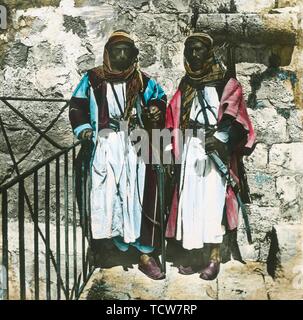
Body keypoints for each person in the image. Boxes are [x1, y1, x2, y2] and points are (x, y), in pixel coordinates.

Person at [69, 30, 167, 280]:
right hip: (104, 144)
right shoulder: (93, 79)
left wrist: (155, 109)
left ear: (133, 55)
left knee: (135, 194)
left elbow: (159, 99)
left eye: (126, 51)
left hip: (135, 144)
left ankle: (144, 253)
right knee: (107, 195)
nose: (121, 55)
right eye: (116, 50)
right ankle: (109, 246)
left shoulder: (142, 80)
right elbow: (77, 106)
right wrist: (85, 131)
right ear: (108, 53)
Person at [165, 32, 255, 280]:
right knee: (191, 201)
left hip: (215, 149)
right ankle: (194, 256)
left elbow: (235, 114)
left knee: (212, 203)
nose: (194, 54)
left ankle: (214, 257)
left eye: (199, 49)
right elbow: (173, 114)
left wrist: (220, 140)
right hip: (190, 147)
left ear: (209, 52)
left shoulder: (226, 82)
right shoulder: (187, 83)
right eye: (190, 50)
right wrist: (170, 148)